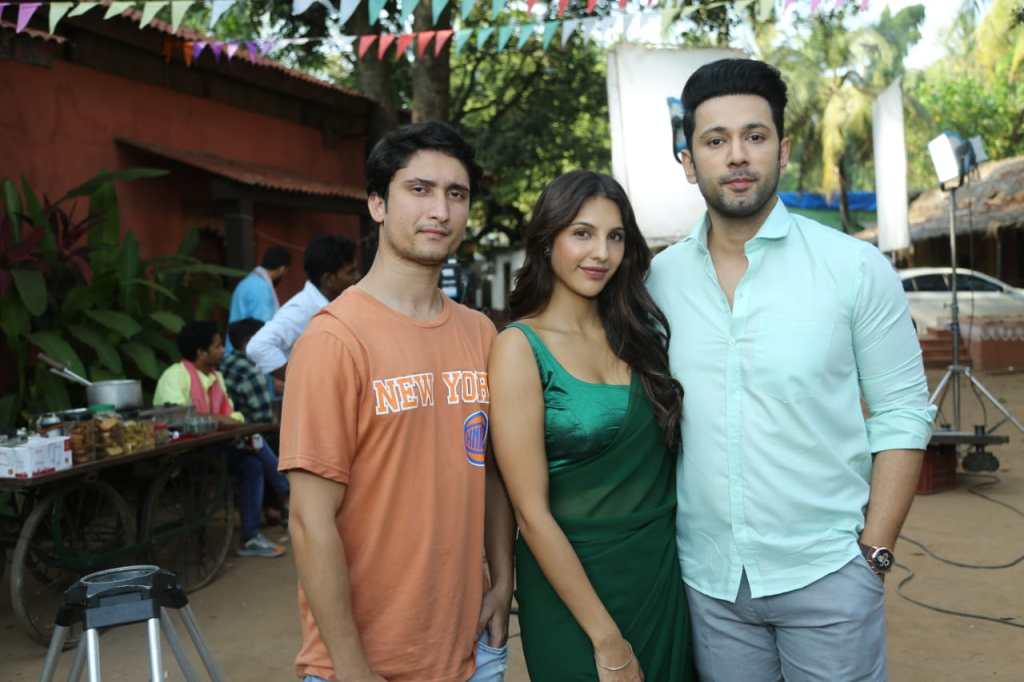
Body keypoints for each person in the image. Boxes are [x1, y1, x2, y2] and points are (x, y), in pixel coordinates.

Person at [647, 58, 936, 681]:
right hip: (709, 584)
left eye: (754, 136)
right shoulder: (657, 282)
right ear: (689, 161)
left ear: (782, 150)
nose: (737, 156)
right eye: (715, 141)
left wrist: (875, 553)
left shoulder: (854, 269)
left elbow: (903, 412)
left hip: (828, 576)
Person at [278, 121, 515, 682]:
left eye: (456, 194)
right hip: (363, 665)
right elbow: (310, 521)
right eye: (419, 189)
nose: (440, 210)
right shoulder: (335, 339)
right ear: (377, 205)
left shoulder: (481, 333)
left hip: (470, 654)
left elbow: (492, 474)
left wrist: (503, 582)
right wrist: (352, 668)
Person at [489, 171, 693, 682]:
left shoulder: (640, 335)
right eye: (582, 233)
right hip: (571, 592)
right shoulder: (518, 348)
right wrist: (606, 639)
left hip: (660, 575)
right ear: (547, 241)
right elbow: (531, 513)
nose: (601, 252)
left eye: (615, 236)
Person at [154, 320, 287, 559]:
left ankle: (251, 537)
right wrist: (219, 419)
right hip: (183, 454)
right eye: (217, 346)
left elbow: (232, 415)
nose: (223, 350)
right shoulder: (174, 376)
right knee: (256, 441)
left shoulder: (217, 377)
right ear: (201, 353)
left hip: (214, 449)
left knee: (252, 464)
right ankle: (286, 489)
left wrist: (221, 420)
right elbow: (176, 417)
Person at [246, 234, 359, 386]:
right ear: (329, 279)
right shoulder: (302, 309)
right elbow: (258, 346)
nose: (358, 277)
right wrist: (303, 382)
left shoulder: (339, 304)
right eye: (351, 272)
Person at [222, 318, 291, 526]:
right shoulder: (250, 369)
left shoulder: (227, 363)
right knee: (275, 438)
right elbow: (263, 413)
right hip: (250, 430)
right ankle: (285, 495)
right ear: (249, 342)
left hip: (238, 429)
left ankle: (274, 506)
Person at [226, 245, 291, 352]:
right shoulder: (261, 288)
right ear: (282, 269)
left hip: (235, 350)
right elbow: (263, 328)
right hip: (245, 353)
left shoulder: (247, 282)